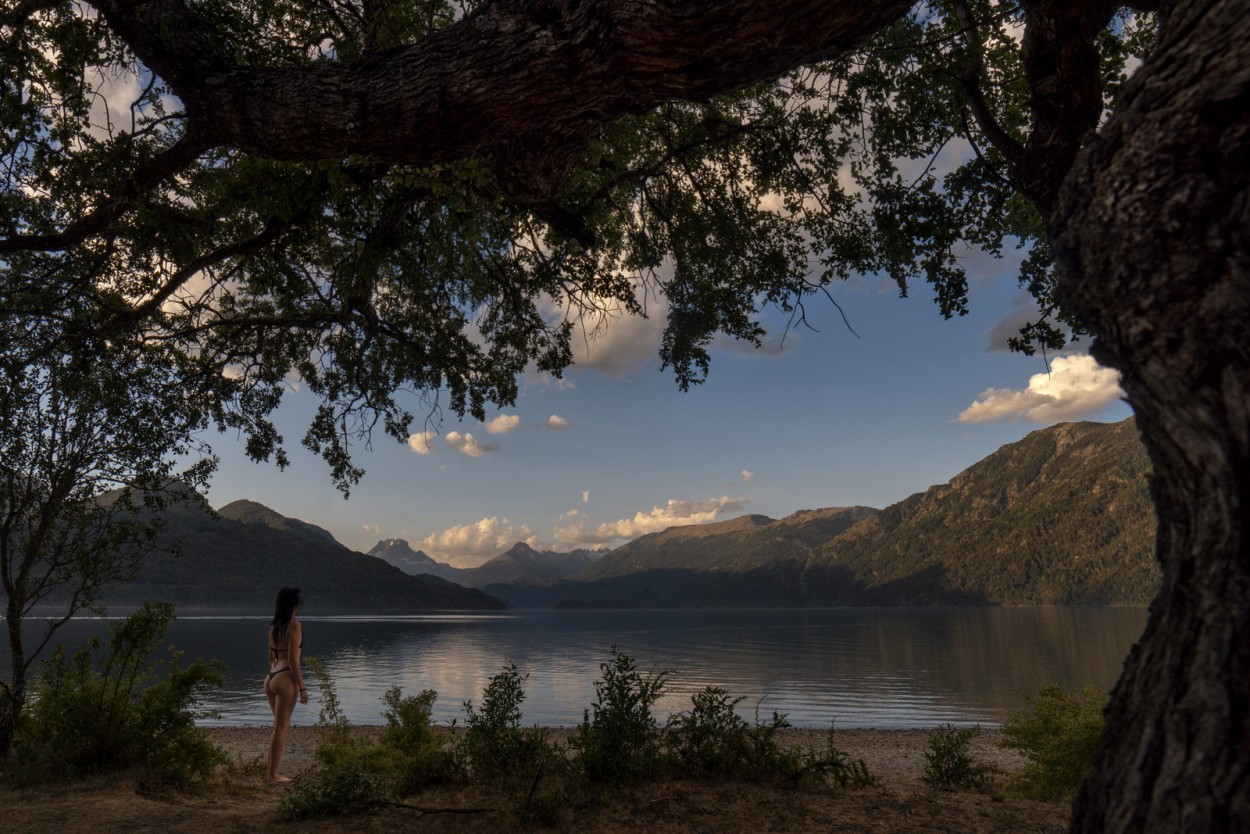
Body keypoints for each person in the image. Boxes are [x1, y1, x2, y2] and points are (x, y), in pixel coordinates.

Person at [264, 586, 308, 783]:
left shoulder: (274, 625)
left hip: (271, 676)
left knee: (277, 727)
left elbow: (271, 656)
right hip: (285, 677)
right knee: (281, 728)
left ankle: (270, 773)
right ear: (293, 605)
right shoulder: (295, 626)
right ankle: (272, 775)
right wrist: (302, 688)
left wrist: (275, 675)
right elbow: (292, 661)